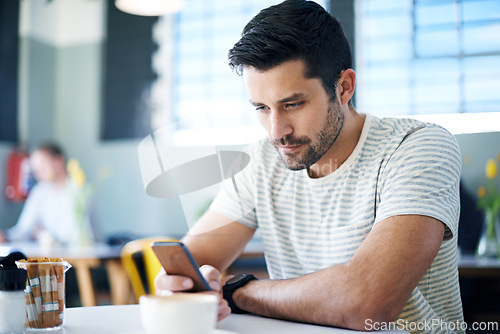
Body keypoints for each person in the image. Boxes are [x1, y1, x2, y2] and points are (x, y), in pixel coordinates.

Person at [155, 1, 464, 332]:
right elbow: (186, 264)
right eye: (261, 107)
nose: (276, 132)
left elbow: (366, 303)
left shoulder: (419, 146)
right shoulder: (260, 161)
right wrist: (179, 283)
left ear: (344, 87)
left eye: (293, 104)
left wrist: (238, 292)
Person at [0, 143, 92, 245]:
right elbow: (25, 227)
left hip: (86, 255)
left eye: (42, 165)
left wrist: (40, 234)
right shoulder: (39, 191)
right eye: (36, 169)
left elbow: (74, 234)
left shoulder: (79, 189)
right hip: (54, 255)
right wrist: (6, 236)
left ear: (59, 161)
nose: (39, 173)